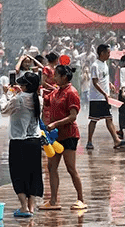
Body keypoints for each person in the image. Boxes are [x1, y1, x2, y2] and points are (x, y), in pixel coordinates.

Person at [41, 65, 86, 211]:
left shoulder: (71, 93)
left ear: (64, 77)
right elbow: (45, 100)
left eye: (56, 76)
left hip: (69, 135)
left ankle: (80, 199)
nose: (53, 78)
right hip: (55, 136)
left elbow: (73, 116)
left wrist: (55, 123)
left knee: (71, 168)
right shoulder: (57, 91)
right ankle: (53, 201)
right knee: (51, 167)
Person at [0, 71, 44, 218]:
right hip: (35, 142)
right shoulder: (39, 99)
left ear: (26, 86)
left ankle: (23, 207)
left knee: (18, 174)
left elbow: (4, 110)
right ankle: (31, 207)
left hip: (19, 141)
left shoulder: (17, 99)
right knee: (33, 173)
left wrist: (5, 94)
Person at [85, 44, 125, 150]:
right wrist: (104, 93)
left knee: (109, 118)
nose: (109, 55)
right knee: (94, 119)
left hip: (105, 97)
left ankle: (116, 140)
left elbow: (103, 78)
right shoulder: (95, 65)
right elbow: (95, 82)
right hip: (97, 98)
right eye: (108, 53)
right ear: (102, 53)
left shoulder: (104, 64)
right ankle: (89, 141)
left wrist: (110, 84)